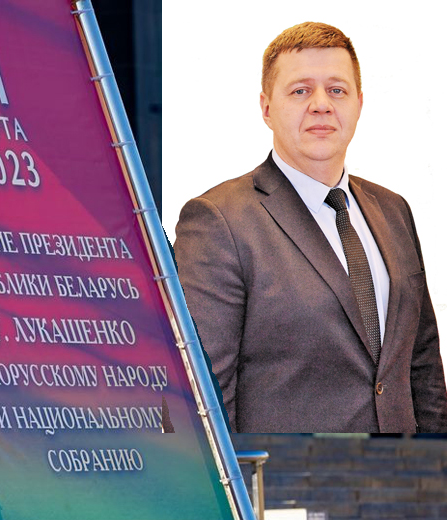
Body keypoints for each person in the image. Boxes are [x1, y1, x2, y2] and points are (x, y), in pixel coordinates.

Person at [173, 22, 447, 433]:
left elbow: (422, 366)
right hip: (289, 473)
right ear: (267, 108)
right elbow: (202, 398)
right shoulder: (219, 221)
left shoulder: (393, 210)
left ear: (358, 104)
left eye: (337, 90)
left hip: (401, 471)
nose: (321, 105)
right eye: (300, 91)